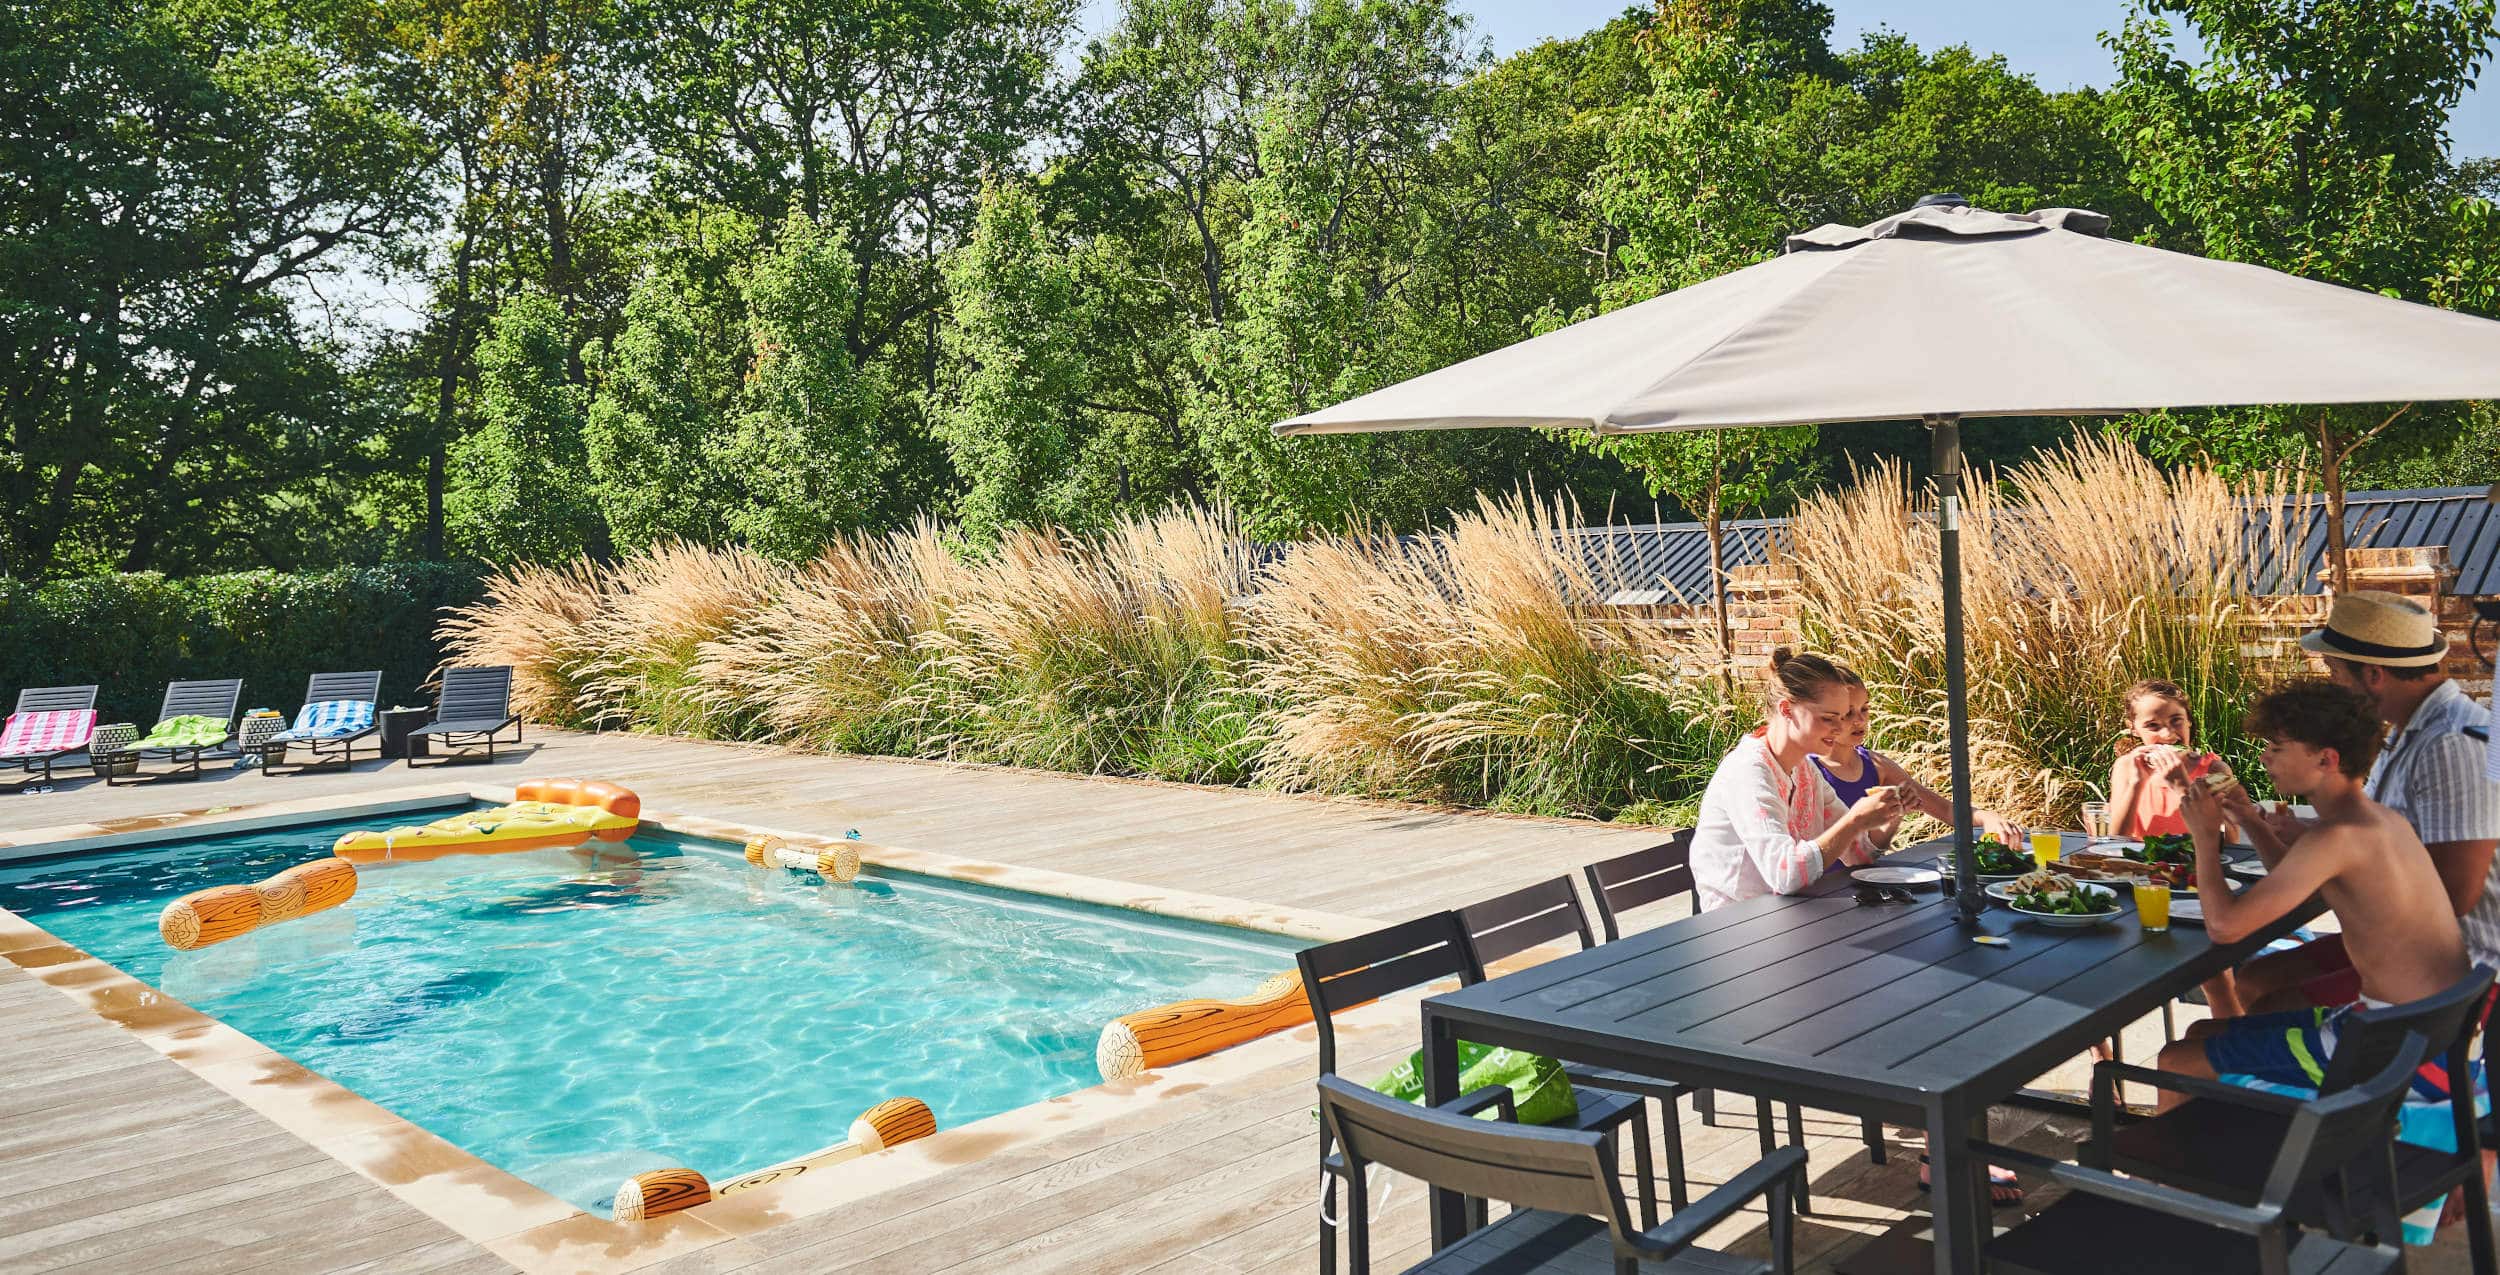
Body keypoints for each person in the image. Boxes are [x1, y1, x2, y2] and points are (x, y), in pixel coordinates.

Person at [2155, 679, 2469, 1109]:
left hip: (2393, 1048)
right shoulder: (2371, 821)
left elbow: (2225, 927)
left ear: (2326, 759)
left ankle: (2181, 1175)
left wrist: (2205, 840)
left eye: (2277, 748)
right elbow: (2295, 881)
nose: (2264, 757)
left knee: (2176, 1059)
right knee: (2200, 1036)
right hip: (2426, 1033)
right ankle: (2232, 1149)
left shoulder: (2338, 836)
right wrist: (2250, 819)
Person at [2218, 591, 2500, 1014]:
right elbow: (2385, 840)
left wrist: (2330, 863)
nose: (2331, 681)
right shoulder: (2402, 730)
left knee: (2273, 1005)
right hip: (2407, 939)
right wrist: (2309, 836)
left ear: (2372, 675)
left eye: (2333, 669)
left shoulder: (2451, 745)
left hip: (2458, 961)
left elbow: (2456, 894)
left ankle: (2309, 1071)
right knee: (2258, 978)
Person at [1690, 649, 1904, 912]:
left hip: (1794, 915)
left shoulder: (1803, 769)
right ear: (1787, 710)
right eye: (1828, 718)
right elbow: (1786, 875)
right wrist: (1854, 820)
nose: (1839, 729)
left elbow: (1857, 855)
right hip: (1736, 926)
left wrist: (1891, 813)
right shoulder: (1749, 771)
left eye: (1843, 717)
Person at [1809, 686, 2023, 847]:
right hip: (1816, 894)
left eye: (1864, 709)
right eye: (1848, 713)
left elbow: (1946, 810)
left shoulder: (1876, 765)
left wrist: (1988, 817)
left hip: (1867, 883)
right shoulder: (1809, 769)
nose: (1859, 720)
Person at [2106, 679, 2225, 839]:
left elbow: (2230, 840)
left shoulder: (2215, 770)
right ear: (2133, 728)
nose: (2168, 734)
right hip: (2139, 863)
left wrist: (2183, 786)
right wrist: (2136, 784)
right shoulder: (2126, 767)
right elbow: (2116, 839)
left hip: (2195, 862)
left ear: (2188, 720)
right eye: (2153, 725)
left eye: (2176, 720)